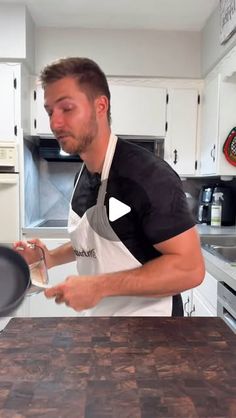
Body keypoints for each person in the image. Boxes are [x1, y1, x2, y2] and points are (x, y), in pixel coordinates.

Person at [14, 57, 205, 316]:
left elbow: (190, 269)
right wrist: (49, 258)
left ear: (100, 105)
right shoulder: (83, 173)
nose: (55, 123)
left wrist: (99, 286)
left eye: (67, 108)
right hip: (105, 328)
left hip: (152, 334)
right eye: (50, 112)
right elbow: (103, 241)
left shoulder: (149, 175)